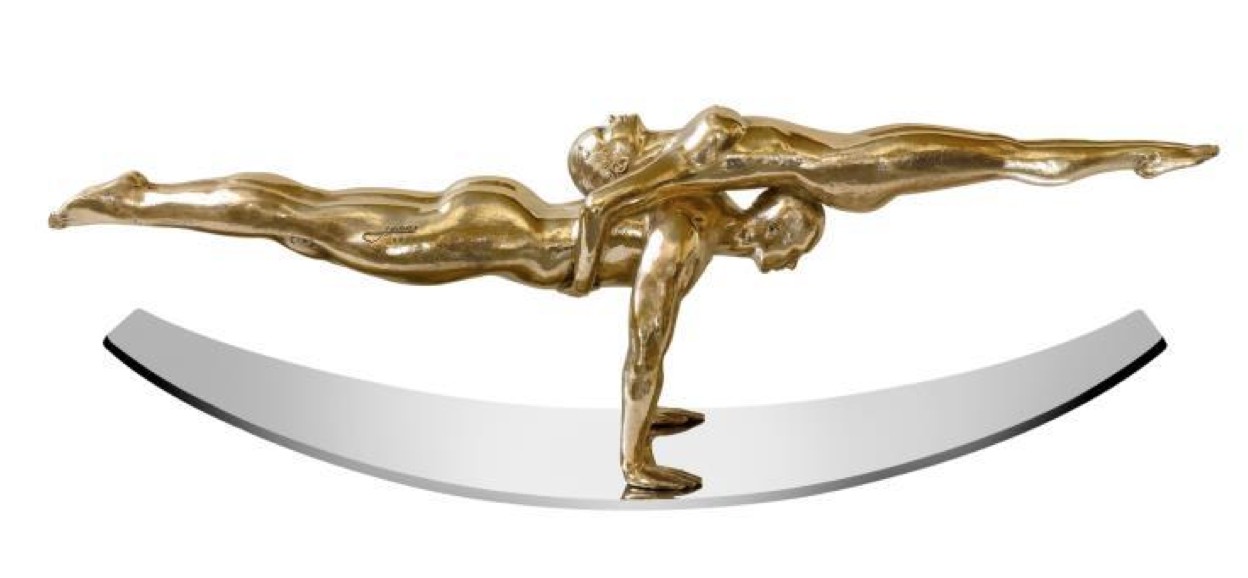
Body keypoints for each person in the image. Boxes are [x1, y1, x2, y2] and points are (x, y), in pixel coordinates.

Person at [49, 168, 825, 492]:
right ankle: (134, 202)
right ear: (776, 225)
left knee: (315, 214)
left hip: (497, 213)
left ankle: (142, 195)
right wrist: (634, 459)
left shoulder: (697, 211)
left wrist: (648, 417)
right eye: (797, 245)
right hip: (484, 236)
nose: (791, 262)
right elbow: (643, 353)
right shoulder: (685, 240)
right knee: (308, 227)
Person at [566, 106, 1219, 296]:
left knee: (1004, 150)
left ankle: (1140, 154)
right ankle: (1141, 155)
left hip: (857, 157)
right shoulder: (680, 157)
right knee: (1007, 158)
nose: (614, 119)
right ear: (617, 165)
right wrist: (584, 270)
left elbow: (605, 204)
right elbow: (598, 210)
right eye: (602, 135)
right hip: (856, 172)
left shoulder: (680, 158)